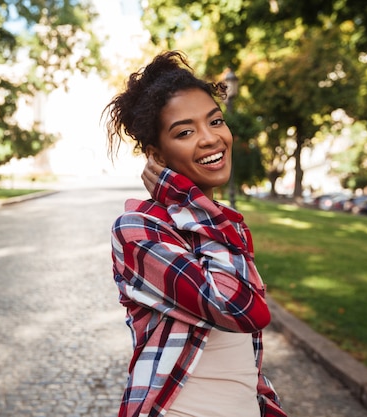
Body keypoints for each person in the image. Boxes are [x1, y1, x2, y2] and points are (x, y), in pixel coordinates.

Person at [103, 50, 287, 417]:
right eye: (185, 132)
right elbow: (240, 308)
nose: (209, 139)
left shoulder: (223, 224)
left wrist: (265, 402)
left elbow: (241, 349)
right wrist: (181, 196)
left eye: (215, 121)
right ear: (157, 155)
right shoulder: (139, 230)